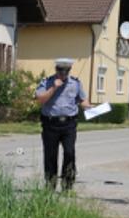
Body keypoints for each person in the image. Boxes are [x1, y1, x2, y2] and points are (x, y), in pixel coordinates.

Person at [34, 58, 92, 191]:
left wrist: (90, 107)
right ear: (56, 70)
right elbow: (41, 100)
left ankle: (67, 185)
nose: (63, 74)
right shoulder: (47, 82)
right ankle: (50, 185)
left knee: (69, 153)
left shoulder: (75, 83)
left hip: (69, 124)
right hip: (50, 124)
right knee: (50, 155)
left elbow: (82, 100)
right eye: (60, 71)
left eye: (66, 71)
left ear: (69, 70)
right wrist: (54, 87)